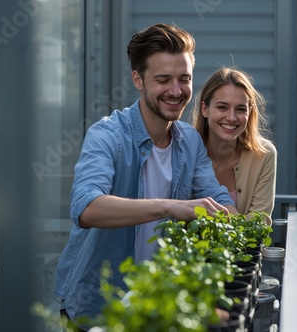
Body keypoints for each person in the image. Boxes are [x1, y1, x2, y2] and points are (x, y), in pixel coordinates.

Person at [54, 23, 237, 331]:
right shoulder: (107, 135)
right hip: (96, 307)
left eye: (184, 79)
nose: (176, 91)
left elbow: (219, 201)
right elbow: (87, 208)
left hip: (155, 307)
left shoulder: (190, 141)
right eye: (163, 80)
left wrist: (226, 217)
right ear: (138, 80)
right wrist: (171, 207)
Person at [191, 67, 277, 226]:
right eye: (222, 107)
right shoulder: (186, 152)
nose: (231, 117)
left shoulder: (264, 155)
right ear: (205, 109)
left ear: (250, 112)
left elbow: (260, 223)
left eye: (240, 109)